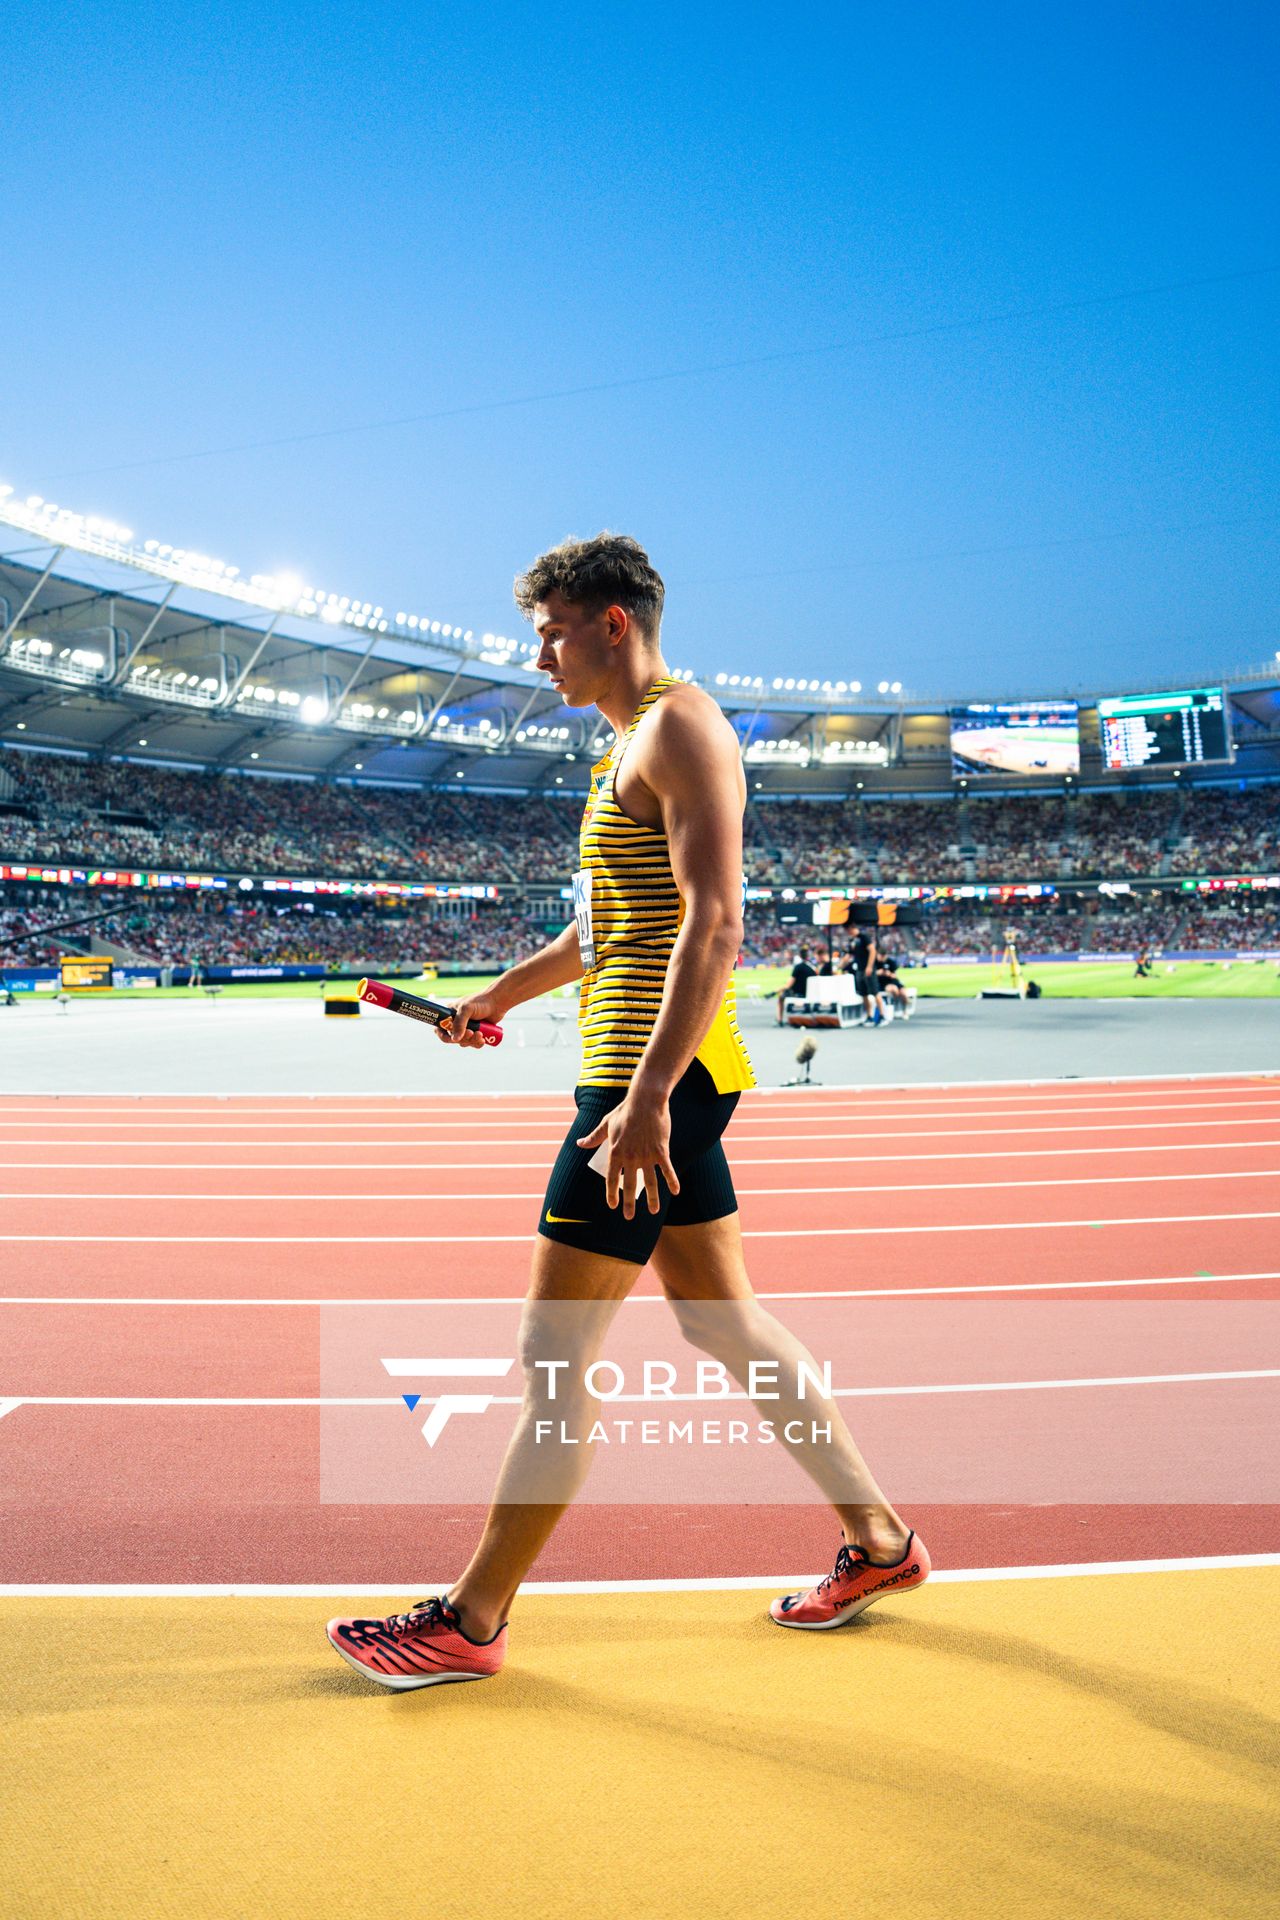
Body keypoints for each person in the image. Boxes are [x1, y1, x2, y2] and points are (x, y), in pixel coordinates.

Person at [326, 533, 928, 1689]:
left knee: (553, 1354)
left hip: (654, 1081)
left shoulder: (679, 727)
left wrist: (647, 1098)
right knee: (723, 1325)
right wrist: (490, 999)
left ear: (612, 621)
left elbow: (713, 923)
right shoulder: (617, 757)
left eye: (549, 631)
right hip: (651, 1073)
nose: (536, 655)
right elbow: (603, 932)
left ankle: (470, 1619)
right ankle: (883, 1544)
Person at [851, 925, 887, 1025]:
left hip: (868, 969)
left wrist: (869, 967)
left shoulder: (863, 937)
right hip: (860, 969)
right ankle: (869, 1016)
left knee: (875, 992)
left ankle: (882, 1015)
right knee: (864, 994)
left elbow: (872, 950)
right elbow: (849, 954)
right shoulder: (854, 940)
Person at [776, 947, 816, 1024]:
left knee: (781, 997)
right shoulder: (813, 968)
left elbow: (788, 985)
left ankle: (779, 1019)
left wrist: (778, 989)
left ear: (800, 956)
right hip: (810, 994)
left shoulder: (798, 967)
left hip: (798, 994)